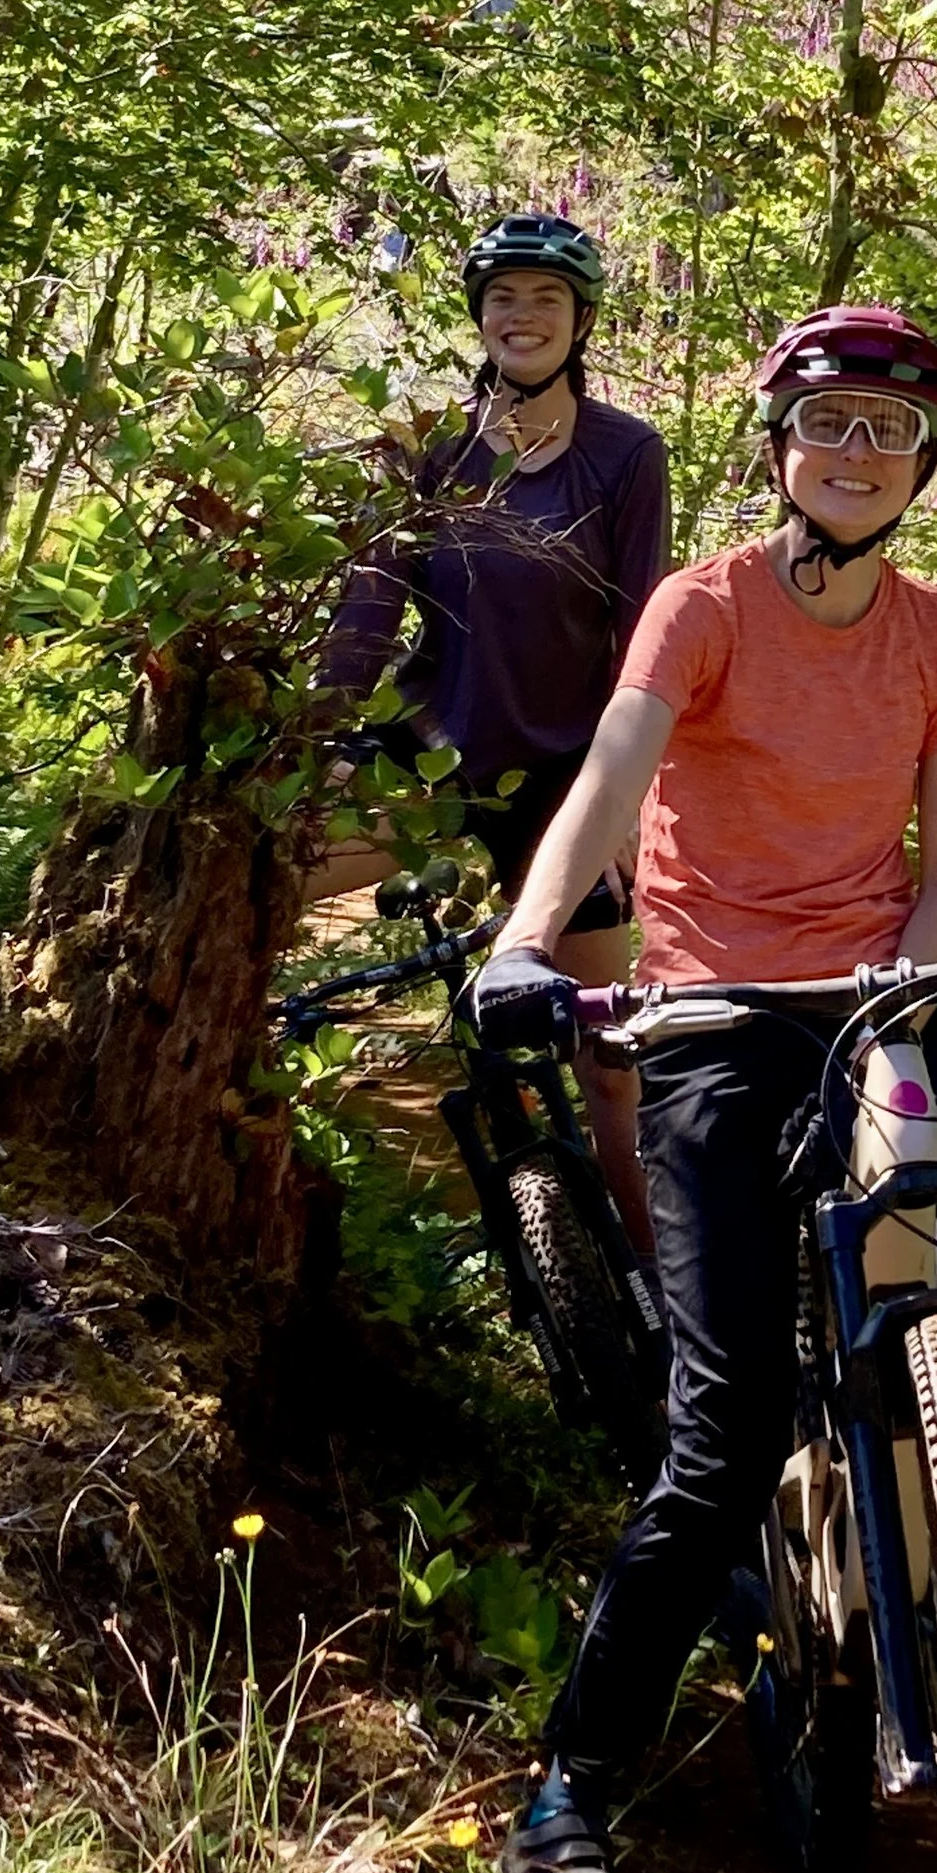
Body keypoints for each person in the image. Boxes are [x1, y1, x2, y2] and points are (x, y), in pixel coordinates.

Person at [469, 304, 937, 1873]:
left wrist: (903, 996)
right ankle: (569, 1791)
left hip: (879, 1015)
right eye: (830, 424)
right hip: (715, 1026)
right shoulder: (701, 605)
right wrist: (524, 934)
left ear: (922, 462)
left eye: (890, 431)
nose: (857, 454)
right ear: (777, 444)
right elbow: (610, 785)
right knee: (720, 1436)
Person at [316, 212, 669, 1249]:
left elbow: (641, 633)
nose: (523, 317)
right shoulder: (431, 449)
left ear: (582, 320)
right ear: (478, 316)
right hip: (429, 756)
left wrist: (625, 805)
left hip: (565, 782)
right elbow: (369, 606)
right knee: (244, 893)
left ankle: (659, 1281)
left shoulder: (623, 456)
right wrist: (323, 741)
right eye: (503, 298)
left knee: (609, 1055)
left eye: (546, 299)